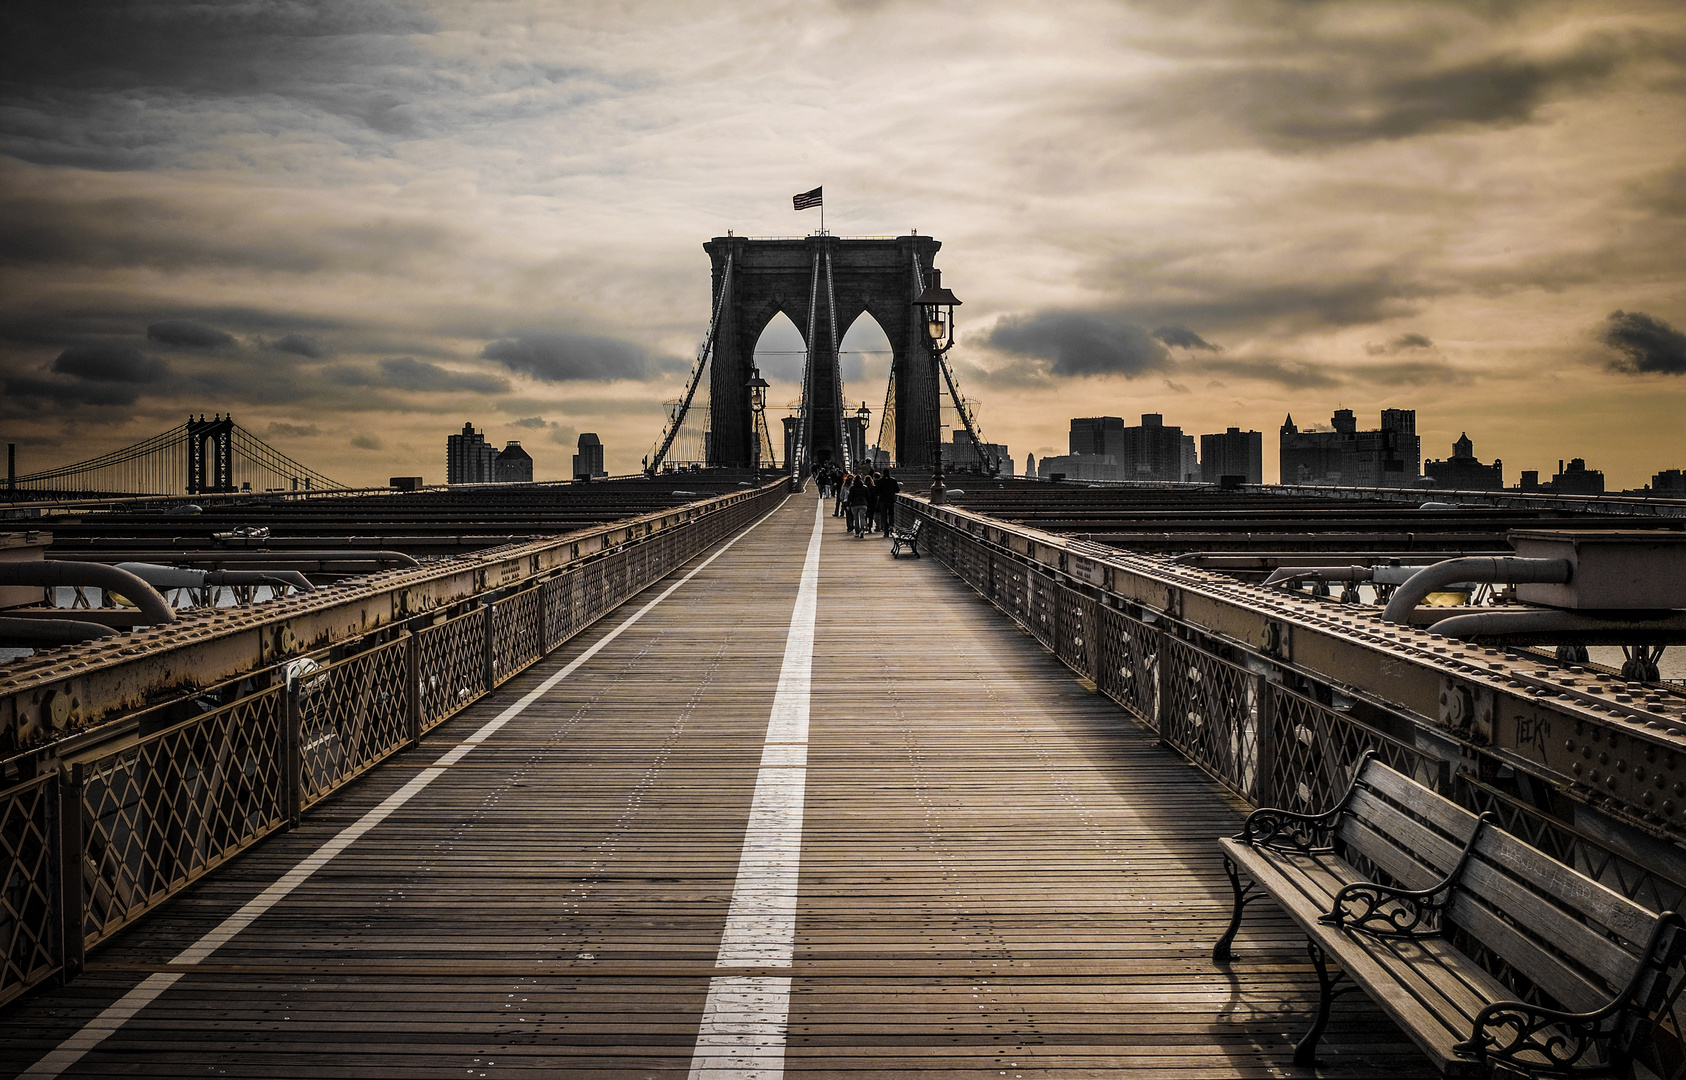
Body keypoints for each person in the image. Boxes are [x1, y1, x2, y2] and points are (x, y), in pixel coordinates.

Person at [874, 469, 899, 536]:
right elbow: (897, 490)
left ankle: (886, 531)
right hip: (891, 500)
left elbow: (876, 491)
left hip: (882, 500)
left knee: (884, 516)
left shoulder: (880, 481)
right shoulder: (893, 481)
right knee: (891, 513)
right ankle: (891, 525)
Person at [847, 472, 870, 537]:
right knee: (862, 517)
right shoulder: (864, 487)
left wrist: (848, 504)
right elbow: (867, 496)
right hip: (863, 503)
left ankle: (857, 532)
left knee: (856, 518)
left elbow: (850, 497)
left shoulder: (852, 488)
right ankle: (862, 530)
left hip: (854, 504)